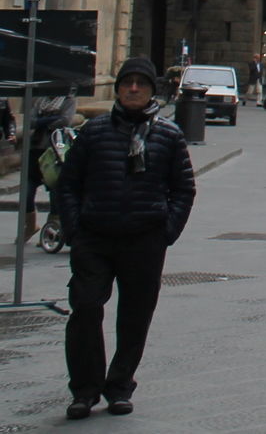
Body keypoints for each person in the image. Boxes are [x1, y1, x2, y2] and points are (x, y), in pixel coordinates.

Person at [58, 57, 196, 420]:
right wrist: (74, 228)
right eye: (126, 83)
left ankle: (119, 386)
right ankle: (84, 390)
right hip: (94, 238)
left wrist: (167, 231)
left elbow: (183, 189)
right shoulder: (94, 131)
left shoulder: (169, 135)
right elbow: (69, 184)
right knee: (86, 308)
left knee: (134, 317)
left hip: (144, 240)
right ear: (118, 89)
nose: (133, 89)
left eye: (141, 83)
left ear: (152, 90)